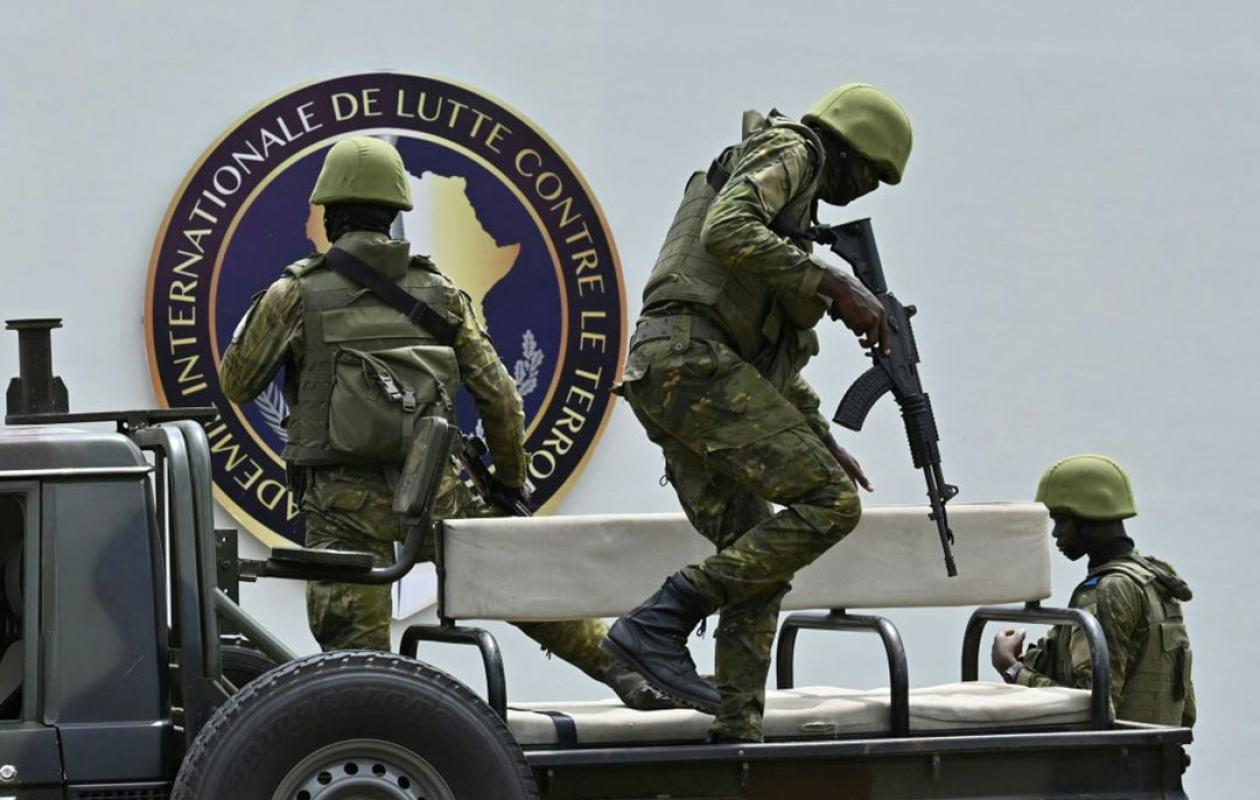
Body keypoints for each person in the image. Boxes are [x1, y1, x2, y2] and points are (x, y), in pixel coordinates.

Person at [221, 135, 670, 709]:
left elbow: (237, 382)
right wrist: (509, 484)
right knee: (520, 582)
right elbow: (501, 399)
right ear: (395, 214)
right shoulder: (442, 293)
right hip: (438, 489)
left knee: (356, 657)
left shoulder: (295, 293)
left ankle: (381, 727)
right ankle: (624, 671)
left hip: (341, 504)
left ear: (329, 215)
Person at [601, 84, 913, 742]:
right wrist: (835, 284)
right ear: (850, 149)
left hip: (679, 372)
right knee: (832, 504)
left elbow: (773, 373)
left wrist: (821, 440)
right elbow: (725, 228)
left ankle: (737, 728)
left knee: (758, 559)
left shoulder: (789, 225)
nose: (868, 191)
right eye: (872, 174)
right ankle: (661, 619)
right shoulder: (793, 149)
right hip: (690, 364)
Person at [991, 454, 1196, 727]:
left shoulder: (1109, 590)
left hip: (1113, 751)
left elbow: (1093, 706)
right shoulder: (1153, 581)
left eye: (1062, 521)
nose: (1055, 533)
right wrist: (1027, 660)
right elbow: (1186, 710)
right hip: (1153, 748)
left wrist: (1012, 669)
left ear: (1088, 519)